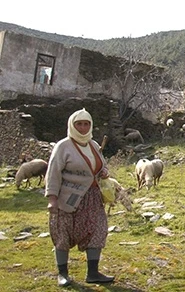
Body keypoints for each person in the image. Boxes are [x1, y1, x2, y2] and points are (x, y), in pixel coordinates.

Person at [44, 108, 114, 287]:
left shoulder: (93, 145)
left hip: (92, 198)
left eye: (86, 124)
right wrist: (52, 198)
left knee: (98, 229)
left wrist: (103, 172)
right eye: (79, 124)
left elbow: (99, 166)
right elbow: (53, 173)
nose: (83, 128)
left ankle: (93, 273)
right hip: (68, 198)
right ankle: (63, 274)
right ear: (72, 126)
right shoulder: (63, 147)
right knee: (63, 233)